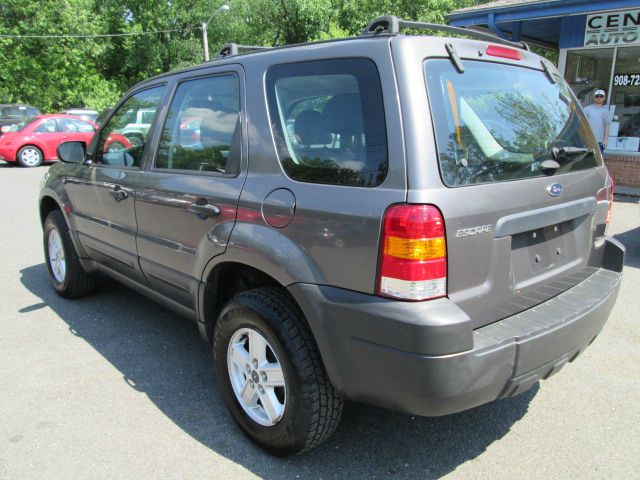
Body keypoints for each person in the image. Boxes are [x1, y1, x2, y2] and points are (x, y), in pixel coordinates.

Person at [583, 89, 611, 153]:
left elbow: (607, 126)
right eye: (597, 96)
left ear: (604, 98)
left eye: (601, 96)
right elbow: (582, 123)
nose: (599, 98)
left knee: (598, 161)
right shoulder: (587, 109)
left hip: (600, 142)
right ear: (594, 97)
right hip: (588, 141)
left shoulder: (606, 111)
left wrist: (606, 140)